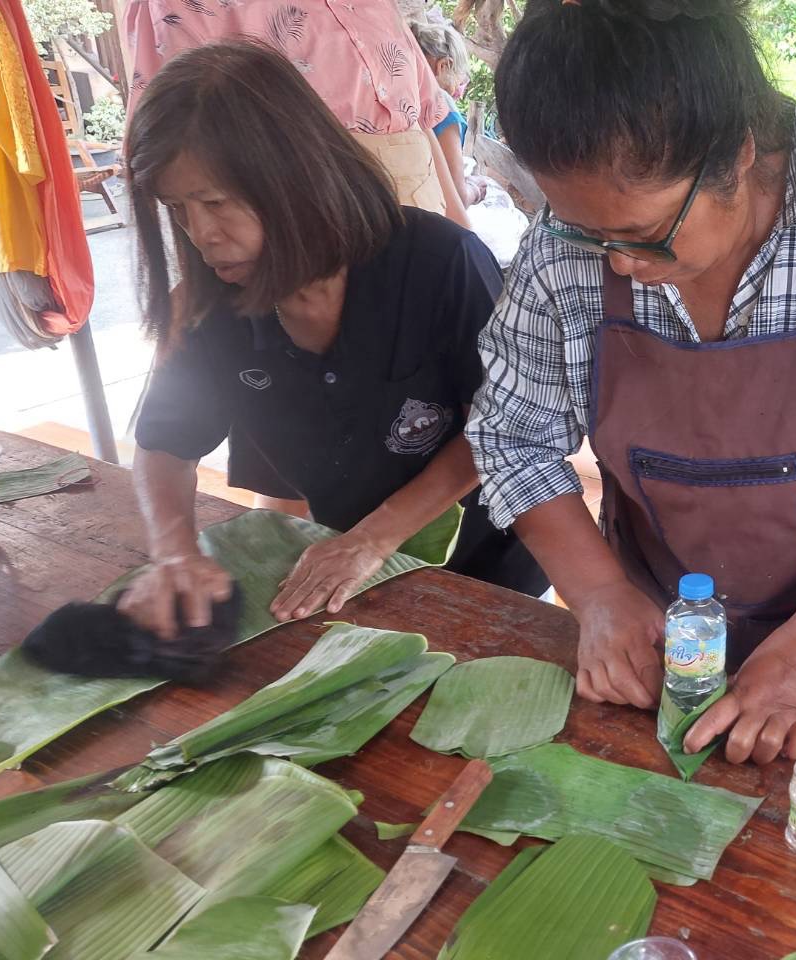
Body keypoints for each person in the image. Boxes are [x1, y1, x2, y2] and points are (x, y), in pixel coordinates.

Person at [466, 0, 796, 765]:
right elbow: (513, 437)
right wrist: (600, 596)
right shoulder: (565, 252)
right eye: (584, 229)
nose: (613, 262)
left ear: (737, 156)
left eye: (643, 236)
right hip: (660, 644)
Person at [118, 41, 545, 639]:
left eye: (215, 203)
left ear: (294, 176)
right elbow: (165, 444)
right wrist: (174, 553)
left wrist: (373, 538)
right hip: (355, 580)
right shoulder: (214, 308)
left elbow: (500, 427)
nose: (201, 235)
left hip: (490, 571)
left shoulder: (439, 262)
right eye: (177, 209)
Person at [124, 0, 468, 229]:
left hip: (431, 243)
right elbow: (184, 168)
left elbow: (419, 122)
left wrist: (463, 238)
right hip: (311, 257)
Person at [407, 11, 475, 206]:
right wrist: (476, 190)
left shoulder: (398, 95)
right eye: (460, 79)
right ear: (444, 65)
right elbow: (457, 197)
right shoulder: (441, 105)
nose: (458, 89)